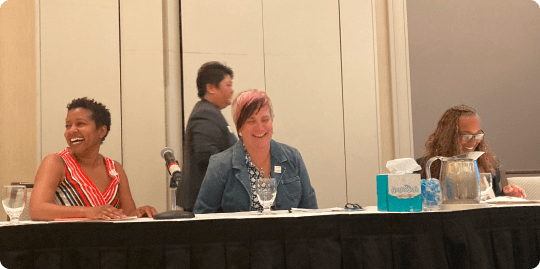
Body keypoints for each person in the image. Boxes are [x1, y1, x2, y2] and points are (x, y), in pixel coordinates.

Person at [30, 97, 157, 220]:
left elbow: (128, 214)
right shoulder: (56, 162)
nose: (71, 130)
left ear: (101, 131)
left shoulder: (114, 168)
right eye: (68, 125)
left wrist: (140, 213)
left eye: (80, 124)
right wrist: (88, 212)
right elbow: (37, 209)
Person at [193, 90, 318, 213]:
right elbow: (202, 219)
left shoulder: (292, 158)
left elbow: (311, 212)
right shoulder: (220, 165)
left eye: (265, 120)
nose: (260, 127)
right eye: (251, 121)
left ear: (272, 121)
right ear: (239, 127)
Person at [417, 104, 526, 198]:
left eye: (477, 135)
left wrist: (506, 196)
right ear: (448, 137)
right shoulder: (425, 168)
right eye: (466, 135)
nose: (473, 141)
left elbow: (492, 205)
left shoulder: (488, 166)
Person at [178, 61, 238, 212]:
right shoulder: (205, 114)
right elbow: (207, 156)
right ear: (211, 88)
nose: (232, 90)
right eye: (228, 85)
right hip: (205, 205)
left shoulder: (211, 112)